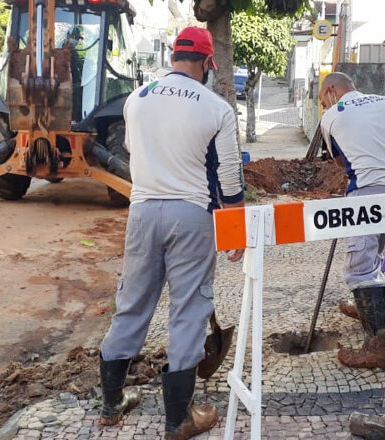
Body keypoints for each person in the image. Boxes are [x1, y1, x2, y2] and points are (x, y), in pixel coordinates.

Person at [98, 27, 244, 439]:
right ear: (206, 63)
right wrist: (234, 226)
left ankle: (111, 404)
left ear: (175, 56)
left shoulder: (137, 99)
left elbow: (132, 148)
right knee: (189, 311)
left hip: (142, 212)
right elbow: (229, 176)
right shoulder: (215, 108)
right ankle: (179, 419)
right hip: (191, 216)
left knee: (132, 303)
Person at [319, 72, 385, 370]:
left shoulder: (332, 116)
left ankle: (379, 348)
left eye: (323, 99)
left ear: (331, 91)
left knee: (359, 267)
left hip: (368, 193)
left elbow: (340, 162)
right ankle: (367, 308)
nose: (324, 105)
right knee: (374, 253)